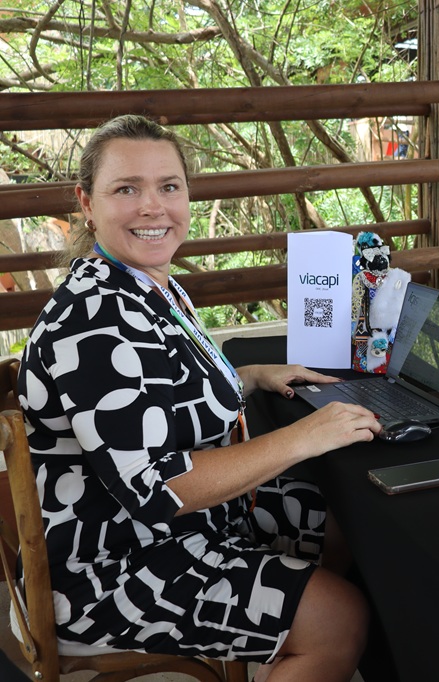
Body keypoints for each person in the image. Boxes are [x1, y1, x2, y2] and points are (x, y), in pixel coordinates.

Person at [17, 115, 380, 682]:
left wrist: (250, 374)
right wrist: (304, 436)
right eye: (126, 189)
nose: (152, 207)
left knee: (347, 523)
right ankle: (313, 641)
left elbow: (158, 384)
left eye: (168, 186)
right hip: (113, 563)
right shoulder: (92, 322)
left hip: (186, 523)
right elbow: (158, 487)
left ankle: (287, 644)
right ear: (86, 203)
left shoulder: (143, 284)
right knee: (340, 618)